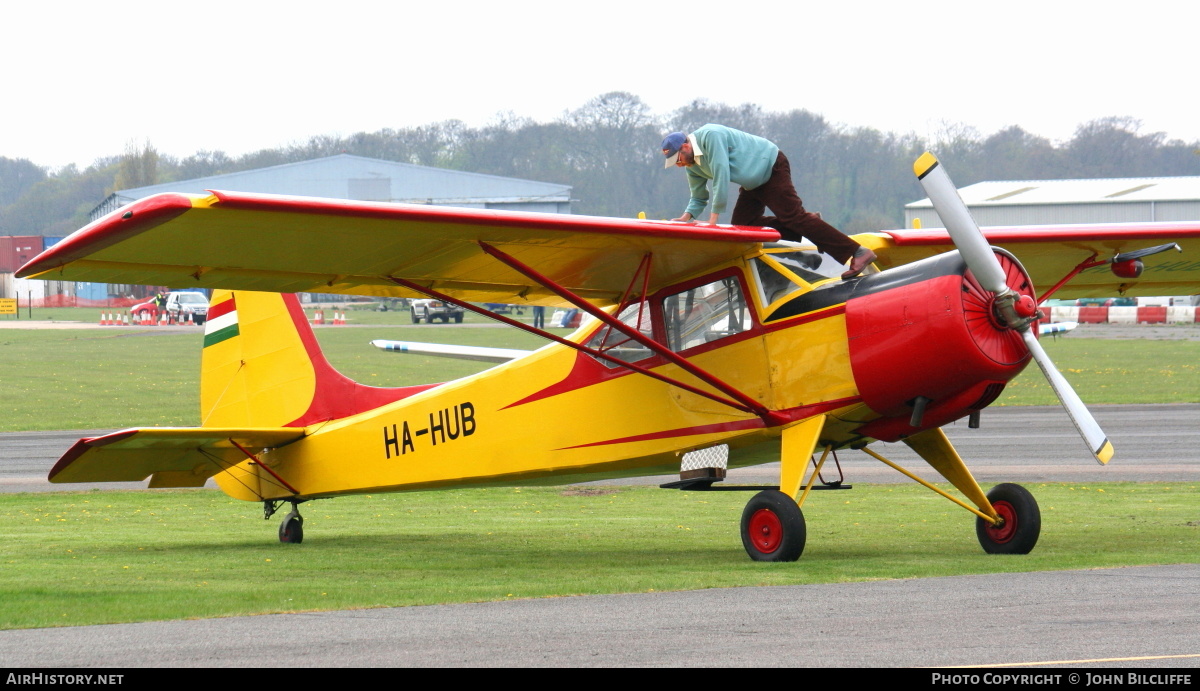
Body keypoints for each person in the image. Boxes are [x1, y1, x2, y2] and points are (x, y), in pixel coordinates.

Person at [661, 125, 877, 278]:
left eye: (677, 159)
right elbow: (698, 196)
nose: (679, 164)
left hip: (771, 167)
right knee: (744, 227)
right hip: (752, 183)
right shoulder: (693, 166)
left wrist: (712, 222)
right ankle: (812, 224)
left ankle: (857, 252)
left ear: (686, 146)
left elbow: (721, 176)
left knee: (793, 217)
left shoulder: (711, 135)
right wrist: (685, 218)